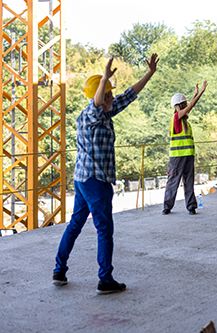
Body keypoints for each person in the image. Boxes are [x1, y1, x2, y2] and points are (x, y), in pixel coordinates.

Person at [52, 54, 159, 294]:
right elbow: (97, 100)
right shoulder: (92, 113)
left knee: (76, 223)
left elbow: (129, 95)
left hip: (83, 179)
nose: (112, 97)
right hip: (95, 180)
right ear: (99, 98)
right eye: (108, 94)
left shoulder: (105, 112)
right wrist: (104, 78)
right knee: (104, 229)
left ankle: (59, 270)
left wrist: (150, 73)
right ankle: (105, 279)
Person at [162, 81, 208, 215]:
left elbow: (190, 107)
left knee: (188, 180)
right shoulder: (177, 117)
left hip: (187, 155)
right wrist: (201, 93)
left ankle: (191, 206)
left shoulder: (183, 120)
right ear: (179, 106)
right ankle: (167, 206)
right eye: (184, 104)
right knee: (174, 181)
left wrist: (194, 94)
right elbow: (191, 107)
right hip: (178, 156)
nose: (187, 106)